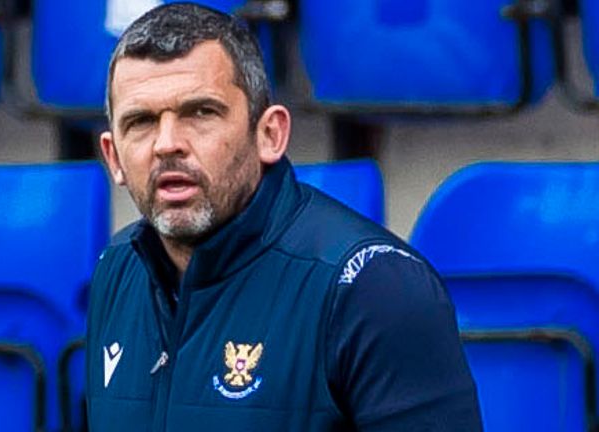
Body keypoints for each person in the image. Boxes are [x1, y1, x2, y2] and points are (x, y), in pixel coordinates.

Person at [86, 3, 482, 431]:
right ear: (114, 158)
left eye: (200, 113)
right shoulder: (117, 267)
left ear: (269, 134)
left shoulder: (373, 285)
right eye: (141, 121)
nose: (167, 144)